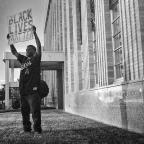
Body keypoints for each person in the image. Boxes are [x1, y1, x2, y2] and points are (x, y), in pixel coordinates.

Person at [7, 25, 42, 134]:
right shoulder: (23, 59)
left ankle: (37, 130)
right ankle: (27, 129)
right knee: (24, 113)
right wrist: (10, 41)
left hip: (33, 92)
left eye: (28, 49)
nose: (26, 50)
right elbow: (14, 52)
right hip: (23, 92)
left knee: (35, 113)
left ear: (33, 50)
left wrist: (34, 33)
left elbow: (39, 46)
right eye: (26, 49)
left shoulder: (36, 58)